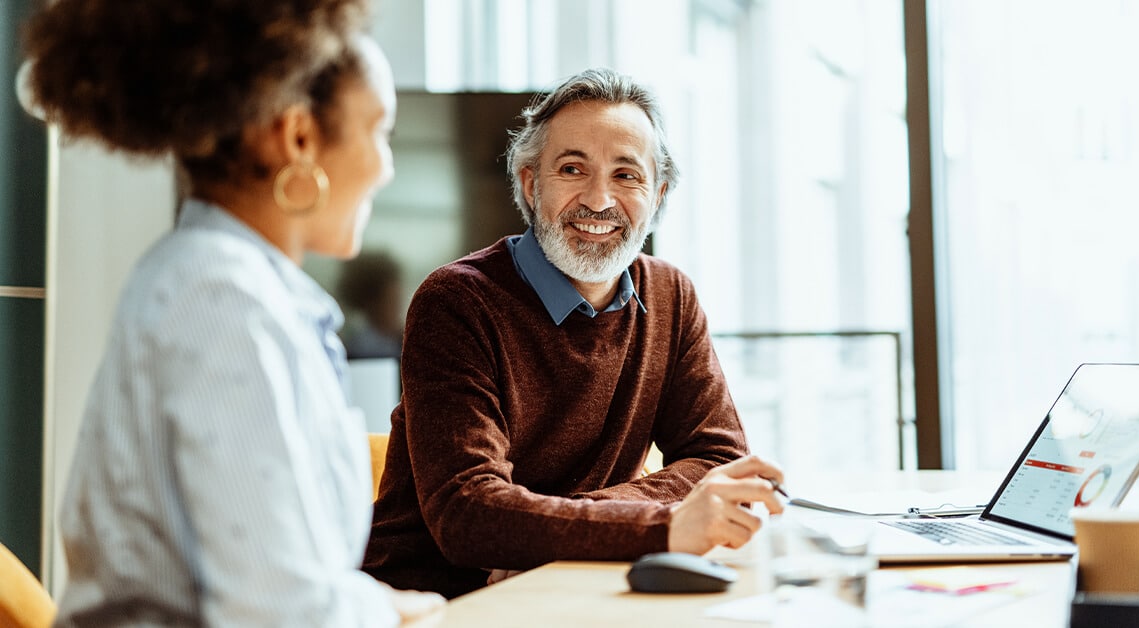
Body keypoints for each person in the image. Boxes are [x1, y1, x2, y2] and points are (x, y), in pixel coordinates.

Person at [21, 1, 444, 625]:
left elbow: (280, 575)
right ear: (297, 137)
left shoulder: (223, 282)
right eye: (378, 131)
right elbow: (279, 612)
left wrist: (379, 604)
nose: (386, 165)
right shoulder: (223, 301)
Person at [363, 67, 785, 599]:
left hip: (589, 581)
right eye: (572, 168)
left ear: (657, 195)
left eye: (627, 175)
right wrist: (661, 526)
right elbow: (467, 513)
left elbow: (719, 460)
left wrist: (550, 540)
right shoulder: (456, 301)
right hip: (441, 600)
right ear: (530, 184)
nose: (600, 200)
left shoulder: (671, 295)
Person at [338, 250, 405, 360]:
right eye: (392, 302)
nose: (398, 309)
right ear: (372, 304)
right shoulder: (358, 346)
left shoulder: (400, 338)